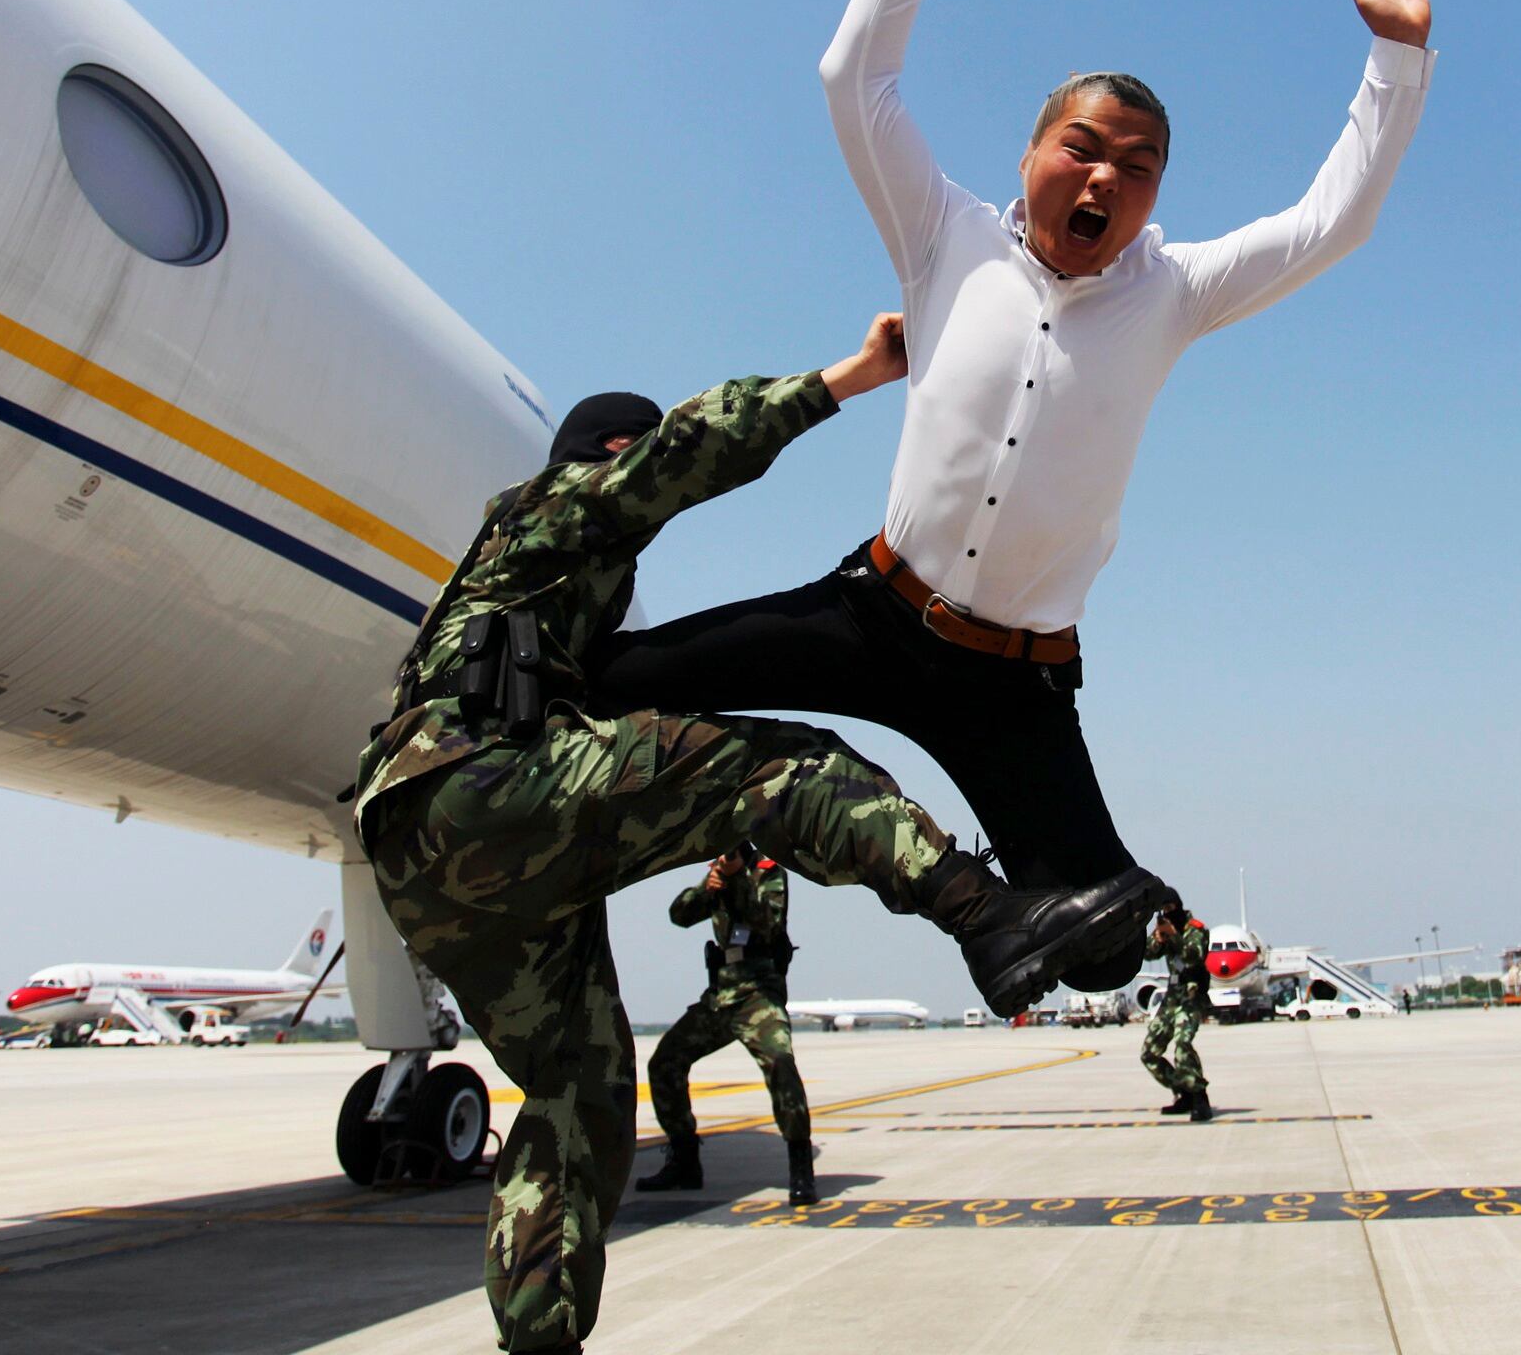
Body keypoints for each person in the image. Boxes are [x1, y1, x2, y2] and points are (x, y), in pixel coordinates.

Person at [590, 0, 1434, 988]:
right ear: (1029, 156)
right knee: (615, 681)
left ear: (1156, 196)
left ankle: (994, 913)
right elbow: (854, 79)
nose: (1103, 180)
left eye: (1136, 168)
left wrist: (1395, 57)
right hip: (872, 613)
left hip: (1015, 683)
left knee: (1101, 950)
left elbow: (1333, 222)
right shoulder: (945, 238)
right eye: (1080, 149)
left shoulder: (1175, 292)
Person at [353, 314, 1167, 1355]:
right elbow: (690, 449)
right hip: (478, 783)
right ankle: (986, 914)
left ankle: (540, 1338)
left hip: (428, 856)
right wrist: (852, 376)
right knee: (782, 767)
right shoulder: (553, 507)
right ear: (609, 453)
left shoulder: (526, 588)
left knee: (575, 1093)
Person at [637, 842, 815, 1204]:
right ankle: (684, 1162)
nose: (722, 857)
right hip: (720, 997)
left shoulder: (769, 872)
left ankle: (801, 1168)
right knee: (665, 1063)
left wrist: (736, 881)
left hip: (758, 995)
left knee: (781, 1062)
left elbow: (767, 922)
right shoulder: (717, 875)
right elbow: (679, 914)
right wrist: (709, 887)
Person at [1141, 900, 1213, 1121]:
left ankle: (1199, 1098)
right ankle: (1184, 1092)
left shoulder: (1196, 929)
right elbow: (1147, 953)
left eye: (1171, 908)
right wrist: (1158, 938)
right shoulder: (1166, 929)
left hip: (1191, 997)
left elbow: (1193, 956)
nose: (1168, 913)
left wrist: (1174, 936)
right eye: (1164, 909)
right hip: (1171, 999)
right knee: (1149, 1053)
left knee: (1183, 1045)